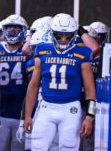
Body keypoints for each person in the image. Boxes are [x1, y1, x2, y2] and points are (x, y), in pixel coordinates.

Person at [23, 14, 96, 150]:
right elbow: (33, 86)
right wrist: (28, 115)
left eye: (68, 36)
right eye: (59, 35)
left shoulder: (82, 52)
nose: (63, 39)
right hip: (46, 107)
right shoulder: (43, 50)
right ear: (52, 34)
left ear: (74, 35)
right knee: (37, 146)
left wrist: (89, 117)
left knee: (68, 147)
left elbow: (90, 89)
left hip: (70, 109)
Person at [0, 14, 29, 151]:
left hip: (21, 109)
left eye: (16, 28)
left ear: (23, 31)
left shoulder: (28, 52)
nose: (12, 31)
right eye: (9, 28)